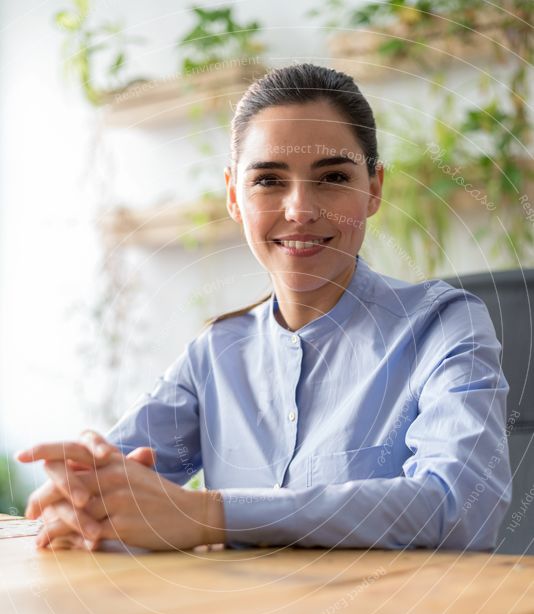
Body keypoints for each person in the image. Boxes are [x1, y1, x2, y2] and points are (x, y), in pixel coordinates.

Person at [17, 63, 512, 552]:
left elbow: (460, 508)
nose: (299, 210)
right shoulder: (216, 352)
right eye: (269, 181)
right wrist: (82, 490)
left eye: (333, 176)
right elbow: (111, 487)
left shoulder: (444, 327)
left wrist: (210, 514)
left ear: (374, 189)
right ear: (235, 196)